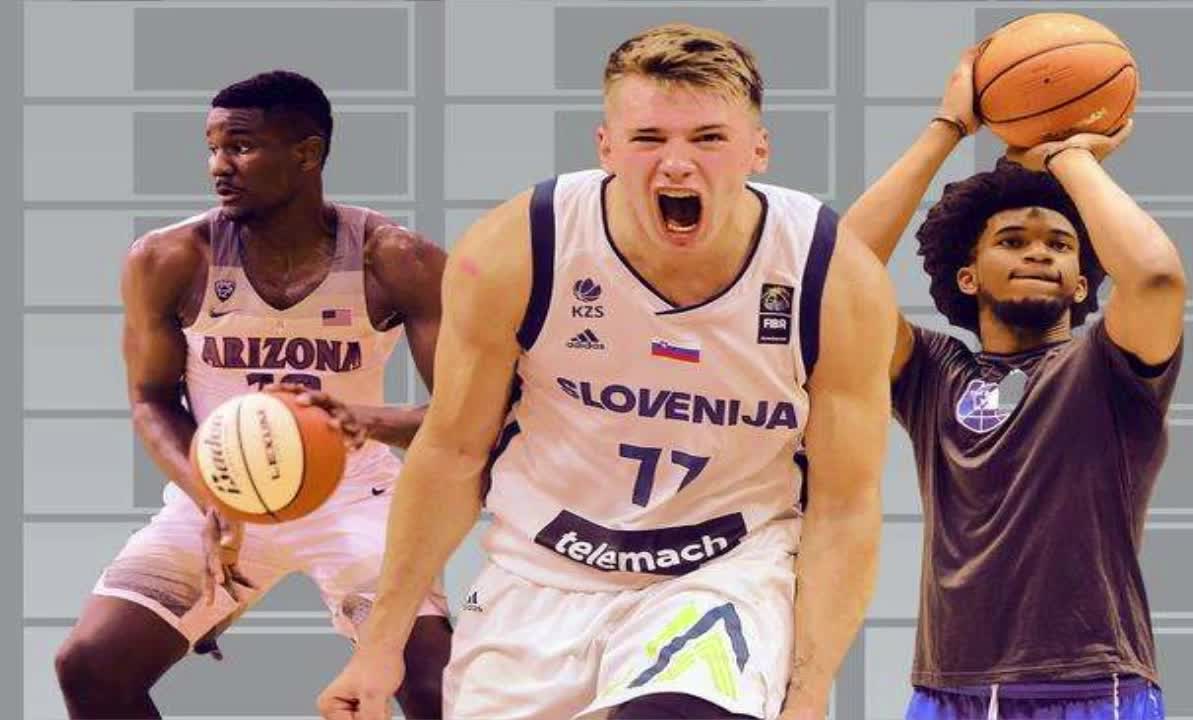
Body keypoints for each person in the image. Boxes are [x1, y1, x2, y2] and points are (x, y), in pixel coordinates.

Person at [317, 23, 896, 720]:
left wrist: (808, 693)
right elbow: (452, 453)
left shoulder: (832, 277)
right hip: (539, 572)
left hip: (724, 570)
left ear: (759, 149)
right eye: (649, 138)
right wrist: (379, 648)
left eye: (708, 138)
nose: (677, 164)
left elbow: (844, 505)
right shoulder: (518, 247)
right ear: (606, 147)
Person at [54, 70, 452, 719]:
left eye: (240, 147)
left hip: (356, 497)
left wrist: (363, 420)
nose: (220, 166)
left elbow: (466, 416)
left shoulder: (396, 258)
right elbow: (151, 399)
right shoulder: (169, 257)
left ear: (307, 153)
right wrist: (212, 497)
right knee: (90, 664)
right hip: (217, 494)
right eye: (213, 148)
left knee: (436, 688)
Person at [842, 48, 1186, 718]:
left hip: (1095, 686)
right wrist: (946, 128)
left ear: (1081, 283)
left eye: (1060, 245)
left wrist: (1068, 157)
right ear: (967, 276)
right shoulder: (934, 374)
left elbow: (1155, 277)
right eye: (1012, 240)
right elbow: (836, 271)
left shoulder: (1109, 369)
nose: (1038, 251)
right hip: (949, 690)